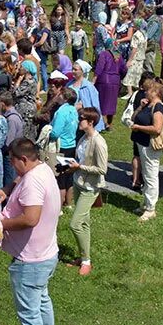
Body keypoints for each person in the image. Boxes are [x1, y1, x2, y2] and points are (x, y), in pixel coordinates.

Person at [0, 138, 60, 325]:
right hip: (46, 253)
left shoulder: (32, 181)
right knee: (42, 301)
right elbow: (19, 180)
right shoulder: (42, 169)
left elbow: (31, 218)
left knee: (29, 313)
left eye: (13, 160)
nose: (11, 165)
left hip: (30, 259)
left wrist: (0, 223)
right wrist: (7, 190)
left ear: (23, 159)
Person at [66, 108, 107, 275]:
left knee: (75, 224)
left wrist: (79, 167)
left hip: (90, 188)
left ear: (90, 122)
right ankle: (84, 258)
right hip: (78, 182)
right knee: (84, 223)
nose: (78, 121)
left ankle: (86, 262)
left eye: (81, 119)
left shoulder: (99, 142)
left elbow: (102, 169)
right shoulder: (83, 137)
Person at [131, 78, 163, 221]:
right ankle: (145, 203)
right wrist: (140, 107)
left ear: (155, 92)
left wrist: (139, 128)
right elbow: (133, 118)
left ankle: (151, 208)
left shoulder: (158, 107)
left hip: (150, 145)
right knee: (145, 174)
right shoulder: (147, 104)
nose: (145, 92)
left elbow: (157, 129)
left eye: (148, 90)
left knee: (151, 176)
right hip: (142, 143)